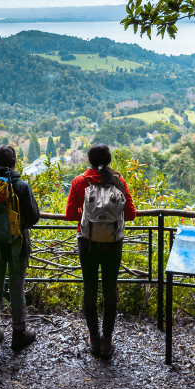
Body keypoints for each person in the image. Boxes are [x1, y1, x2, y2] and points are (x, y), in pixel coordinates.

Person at [65, 143, 136, 358]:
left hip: (87, 240)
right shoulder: (118, 181)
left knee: (90, 287)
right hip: (113, 242)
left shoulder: (80, 181)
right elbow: (131, 214)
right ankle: (107, 340)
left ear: (89, 160)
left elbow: (70, 214)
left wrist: (88, 213)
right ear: (109, 160)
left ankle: (93, 339)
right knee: (110, 288)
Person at [0, 145, 41, 352]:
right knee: (16, 287)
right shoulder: (21, 186)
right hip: (17, 244)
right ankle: (19, 333)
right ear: (14, 162)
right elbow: (33, 218)